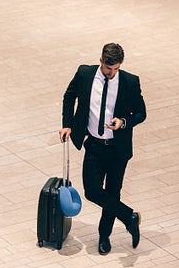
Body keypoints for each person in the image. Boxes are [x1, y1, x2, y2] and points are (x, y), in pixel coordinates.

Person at [59, 43, 146, 255]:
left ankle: (104, 237)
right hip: (95, 146)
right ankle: (129, 217)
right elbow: (69, 96)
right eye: (109, 69)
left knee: (113, 193)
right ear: (101, 61)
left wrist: (124, 122)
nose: (112, 73)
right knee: (92, 191)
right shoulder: (84, 74)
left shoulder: (130, 82)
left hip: (118, 149)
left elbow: (141, 113)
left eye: (116, 69)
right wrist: (67, 124)